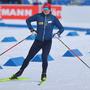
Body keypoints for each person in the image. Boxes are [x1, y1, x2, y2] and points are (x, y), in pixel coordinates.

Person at [10, 3, 64, 81]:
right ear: (42, 9)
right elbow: (28, 20)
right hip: (37, 41)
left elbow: (61, 28)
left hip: (47, 42)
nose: (45, 11)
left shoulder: (53, 18)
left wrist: (58, 34)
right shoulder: (38, 16)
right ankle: (20, 72)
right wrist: (31, 30)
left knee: (44, 58)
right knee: (29, 57)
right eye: (44, 9)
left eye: (47, 9)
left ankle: (44, 74)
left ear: (50, 10)